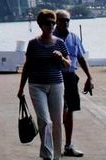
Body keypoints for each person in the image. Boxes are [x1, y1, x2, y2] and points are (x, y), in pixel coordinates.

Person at [17, 9, 71, 160]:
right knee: (45, 121)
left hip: (56, 85)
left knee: (57, 122)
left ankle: (57, 156)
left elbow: (68, 64)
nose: (51, 26)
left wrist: (61, 58)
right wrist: (21, 87)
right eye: (48, 23)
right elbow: (27, 66)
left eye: (53, 23)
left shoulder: (60, 43)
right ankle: (47, 155)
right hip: (37, 86)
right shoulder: (33, 44)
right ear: (40, 24)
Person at [54, 9, 95, 157]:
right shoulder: (51, 38)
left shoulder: (74, 38)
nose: (65, 22)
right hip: (56, 77)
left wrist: (89, 77)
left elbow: (81, 58)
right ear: (56, 21)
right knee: (59, 111)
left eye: (67, 20)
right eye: (62, 20)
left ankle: (68, 145)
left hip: (71, 77)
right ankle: (54, 145)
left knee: (69, 110)